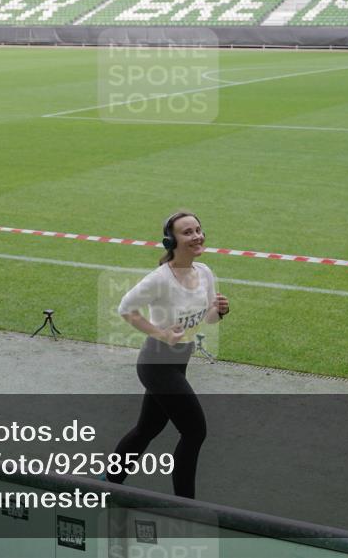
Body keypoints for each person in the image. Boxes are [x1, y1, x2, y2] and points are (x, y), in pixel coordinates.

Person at [106, 211, 229, 499]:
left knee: (147, 428)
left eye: (198, 229)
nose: (197, 236)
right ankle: (184, 503)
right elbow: (126, 308)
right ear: (170, 240)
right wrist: (161, 334)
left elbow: (209, 318)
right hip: (157, 364)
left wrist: (221, 310)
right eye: (187, 232)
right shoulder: (160, 279)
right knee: (194, 432)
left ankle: (108, 481)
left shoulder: (205, 272)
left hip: (178, 362)